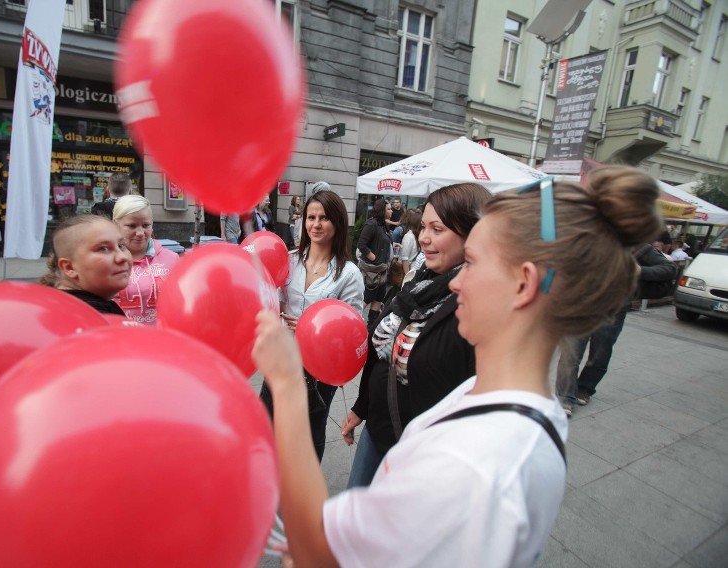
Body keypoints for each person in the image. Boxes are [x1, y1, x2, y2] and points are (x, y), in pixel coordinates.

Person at [250, 165, 663, 567]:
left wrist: (287, 385)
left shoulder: (478, 465)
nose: (454, 282)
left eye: (475, 262)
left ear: (523, 283)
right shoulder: (495, 402)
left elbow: (314, 551)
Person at [342, 183, 491, 489]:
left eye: (437, 229)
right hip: (377, 431)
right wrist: (362, 406)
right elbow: (383, 352)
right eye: (423, 226)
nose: (424, 238)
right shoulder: (419, 281)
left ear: (473, 234)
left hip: (421, 458)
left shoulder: (474, 308)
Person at [259, 190, 363, 462]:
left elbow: (353, 326)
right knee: (267, 422)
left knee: (310, 433)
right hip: (282, 357)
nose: (316, 224)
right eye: (311, 217)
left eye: (325, 218)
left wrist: (311, 325)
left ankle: (305, 495)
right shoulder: (290, 260)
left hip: (320, 368)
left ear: (338, 223)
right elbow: (275, 299)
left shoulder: (348, 273)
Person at [556, 233, 677, 415]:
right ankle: (566, 397)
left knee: (599, 354)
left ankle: (585, 389)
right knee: (569, 355)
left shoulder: (638, 246)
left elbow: (669, 269)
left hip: (613, 310)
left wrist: (640, 271)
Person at [38, 215, 132, 315]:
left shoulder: (57, 303)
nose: (122, 257)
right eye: (103, 248)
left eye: (121, 246)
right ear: (69, 267)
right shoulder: (91, 318)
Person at [111, 195, 179, 324]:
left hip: (160, 339)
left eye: (146, 225)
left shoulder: (172, 259)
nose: (140, 233)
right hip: (119, 340)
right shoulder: (104, 261)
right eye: (132, 226)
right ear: (115, 224)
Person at [357, 198, 393, 328]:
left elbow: (382, 242)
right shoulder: (372, 224)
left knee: (378, 300)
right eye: (389, 209)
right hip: (372, 271)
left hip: (382, 270)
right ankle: (351, 324)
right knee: (366, 299)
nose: (392, 211)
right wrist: (373, 257)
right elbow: (361, 244)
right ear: (382, 210)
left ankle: (370, 331)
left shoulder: (383, 225)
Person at [398, 208, 422, 276]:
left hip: (412, 271)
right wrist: (407, 277)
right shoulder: (409, 236)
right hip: (407, 272)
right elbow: (405, 259)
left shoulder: (415, 235)